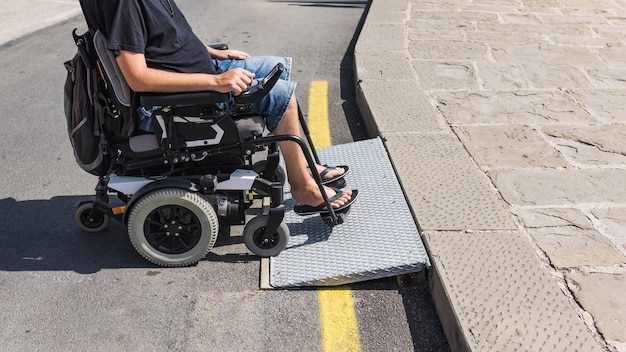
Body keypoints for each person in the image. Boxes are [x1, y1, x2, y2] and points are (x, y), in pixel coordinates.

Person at [78, 0, 357, 214]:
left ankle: (305, 166)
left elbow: (168, 37)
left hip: (202, 72)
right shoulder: (123, 3)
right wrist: (216, 80)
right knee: (281, 95)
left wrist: (213, 54)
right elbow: (137, 78)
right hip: (174, 104)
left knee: (277, 68)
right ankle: (303, 189)